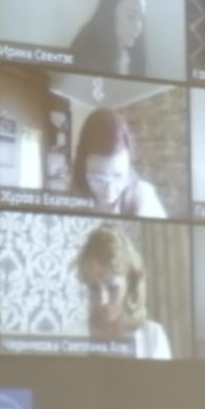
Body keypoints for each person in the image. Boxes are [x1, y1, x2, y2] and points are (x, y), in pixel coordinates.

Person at [75, 225, 171, 358]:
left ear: (130, 283)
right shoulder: (74, 334)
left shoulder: (152, 337)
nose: (102, 301)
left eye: (112, 288)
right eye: (94, 288)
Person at [70, 109, 167, 218]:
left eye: (118, 176)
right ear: (82, 169)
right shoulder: (70, 199)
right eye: (99, 179)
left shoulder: (142, 196)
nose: (110, 191)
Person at [69, 0, 147, 77]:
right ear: (109, 14)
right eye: (131, 16)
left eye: (141, 19)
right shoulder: (87, 51)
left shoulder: (133, 57)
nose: (138, 26)